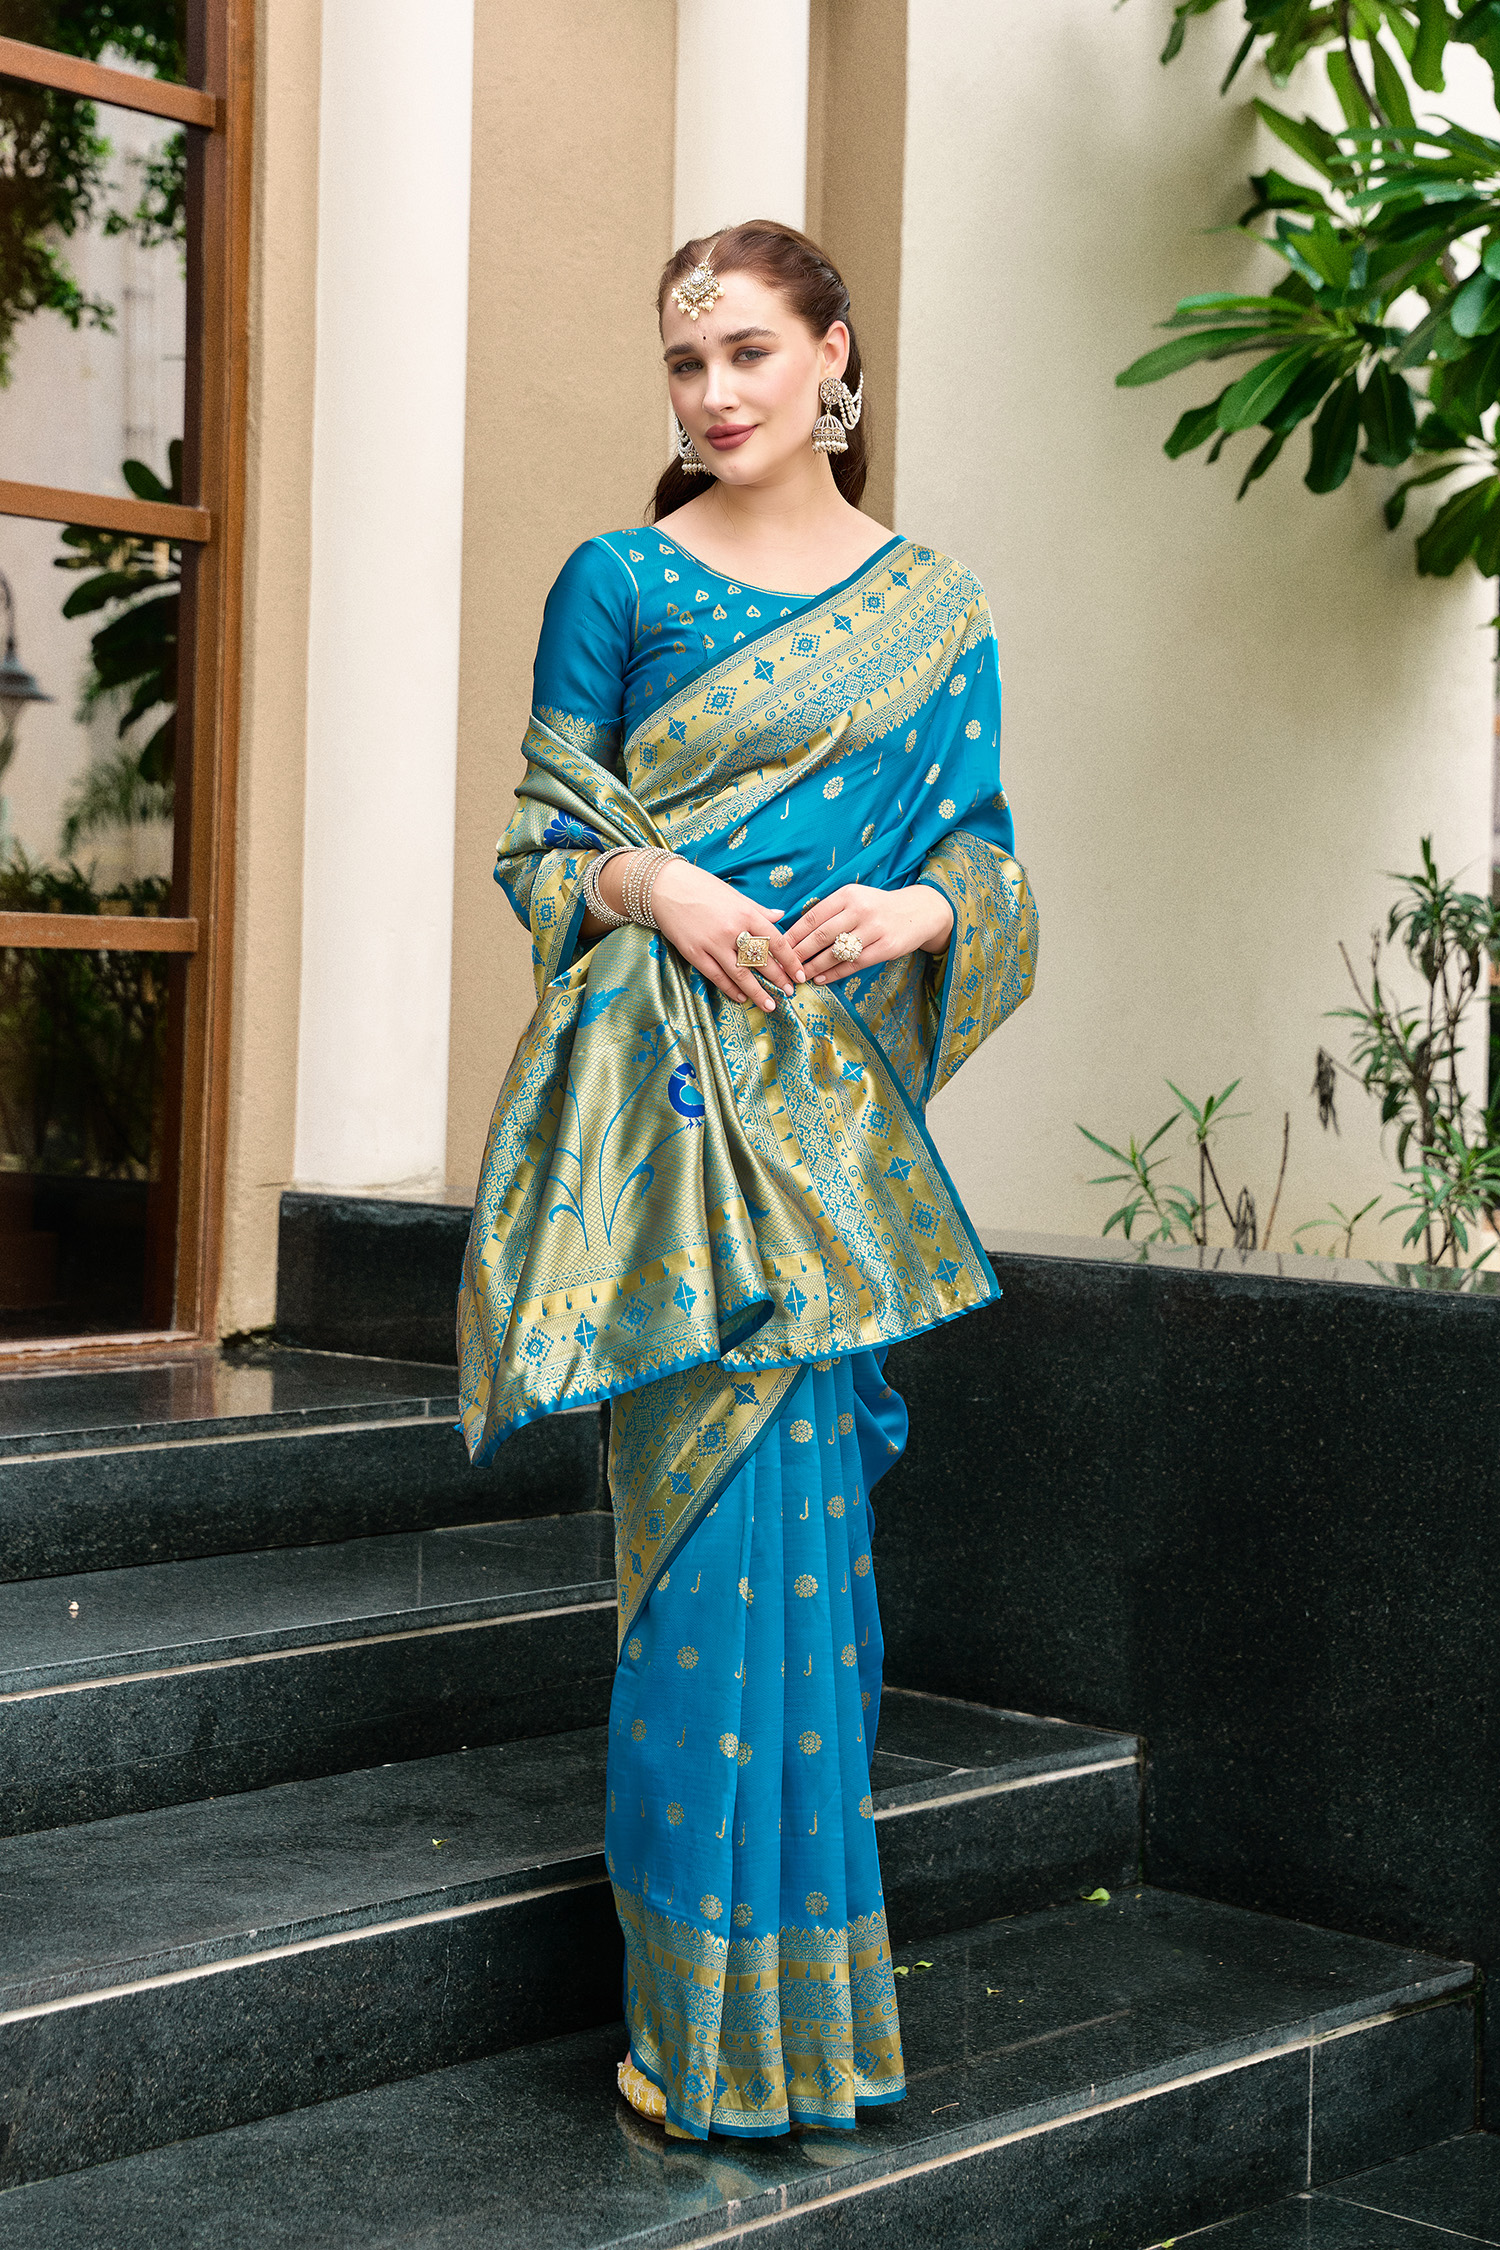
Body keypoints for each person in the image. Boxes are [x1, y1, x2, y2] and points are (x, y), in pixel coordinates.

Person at [457, 220, 1038, 2143]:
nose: (713, 393)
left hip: (830, 1152)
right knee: (698, 1575)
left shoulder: (937, 611)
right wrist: (660, 884)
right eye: (685, 362)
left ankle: (813, 2038)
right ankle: (695, 2036)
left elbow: (989, 858)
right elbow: (545, 849)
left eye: (749, 354)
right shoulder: (619, 581)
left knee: (815, 1593)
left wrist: (921, 910)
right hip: (670, 1143)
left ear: (834, 357)